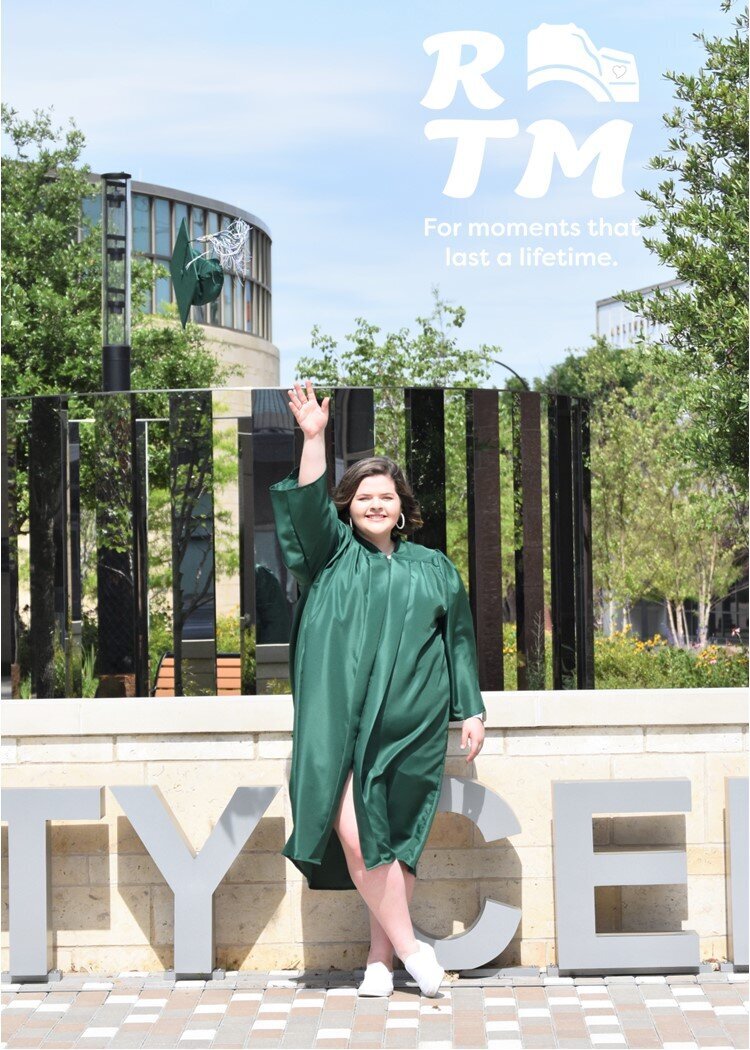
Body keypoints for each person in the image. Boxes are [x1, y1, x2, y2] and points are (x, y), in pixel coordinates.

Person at [269, 379, 487, 999]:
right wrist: (314, 438)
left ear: (401, 505)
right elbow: (307, 506)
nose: (374, 505)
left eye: (385, 496)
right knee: (357, 835)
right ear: (348, 506)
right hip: (341, 724)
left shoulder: (432, 567)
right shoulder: (332, 555)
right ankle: (416, 951)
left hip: (411, 725)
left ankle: (378, 961)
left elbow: (460, 643)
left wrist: (469, 709)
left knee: (396, 841)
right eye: (363, 496)